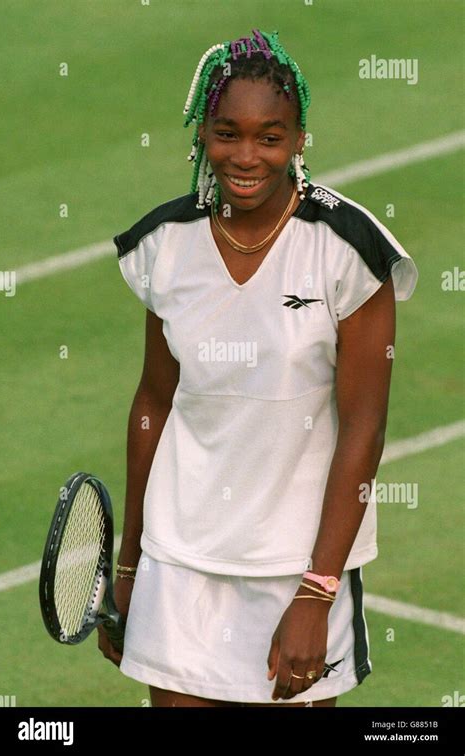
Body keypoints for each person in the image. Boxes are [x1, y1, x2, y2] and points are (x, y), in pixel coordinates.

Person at [99, 28, 418, 707]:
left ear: (300, 140)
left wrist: (317, 592)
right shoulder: (165, 243)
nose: (246, 157)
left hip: (295, 571)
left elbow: (366, 427)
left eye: (269, 137)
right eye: (227, 134)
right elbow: (155, 399)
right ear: (202, 137)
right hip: (180, 561)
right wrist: (130, 562)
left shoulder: (348, 251)